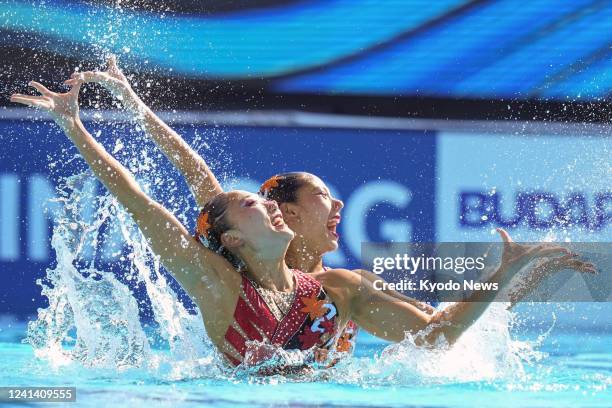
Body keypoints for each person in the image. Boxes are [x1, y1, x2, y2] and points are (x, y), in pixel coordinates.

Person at [10, 78, 595, 371]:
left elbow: (436, 337)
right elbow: (146, 200)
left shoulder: (341, 289)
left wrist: (502, 274)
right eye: (324, 197)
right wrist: (79, 126)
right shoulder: (219, 283)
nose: (338, 207)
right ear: (243, 232)